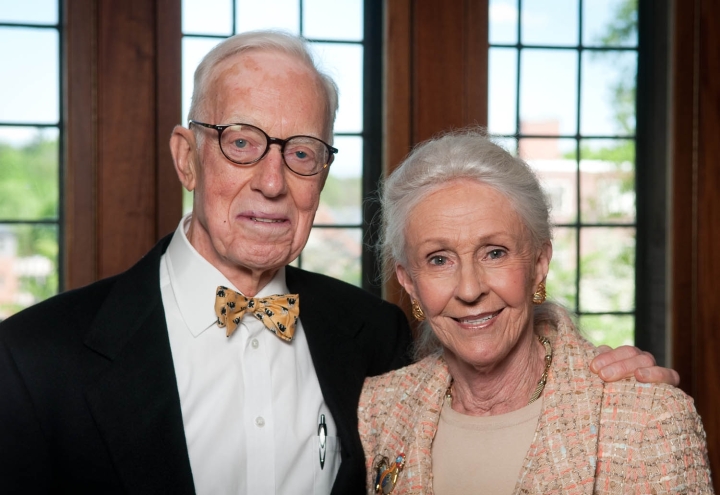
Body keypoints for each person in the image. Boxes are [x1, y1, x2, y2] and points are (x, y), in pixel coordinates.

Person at [0, 32, 679, 494]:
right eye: (241, 142)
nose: (272, 181)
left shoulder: (373, 338)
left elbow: (495, 372)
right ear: (186, 156)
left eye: (301, 152)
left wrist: (605, 379)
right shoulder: (35, 361)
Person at [358, 128, 713, 494]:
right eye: (439, 259)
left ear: (540, 263)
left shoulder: (649, 418)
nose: (469, 289)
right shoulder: (376, 411)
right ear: (410, 281)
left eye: (494, 252)